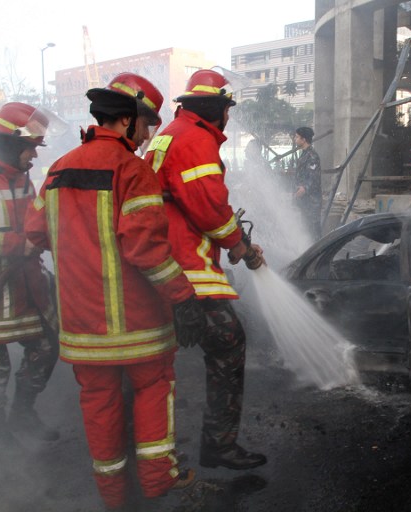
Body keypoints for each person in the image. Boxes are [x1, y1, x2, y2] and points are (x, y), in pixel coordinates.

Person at [25, 72, 202, 509]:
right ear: (126, 121)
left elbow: (34, 230)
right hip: (138, 327)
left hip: (83, 329)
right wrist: (184, 297)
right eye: (147, 126)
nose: (148, 136)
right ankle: (158, 483)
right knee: (152, 391)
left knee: (99, 406)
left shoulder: (58, 169)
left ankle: (113, 498)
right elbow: (146, 250)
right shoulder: (132, 170)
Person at [144, 68, 267, 471]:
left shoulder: (170, 135)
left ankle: (151, 452)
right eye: (227, 109)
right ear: (215, 108)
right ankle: (218, 444)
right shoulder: (196, 139)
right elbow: (209, 207)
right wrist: (240, 246)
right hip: (187, 267)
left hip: (163, 263)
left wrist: (233, 240)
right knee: (229, 344)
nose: (229, 118)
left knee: (156, 362)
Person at [0, 102, 60, 451]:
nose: (35, 157)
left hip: (27, 289)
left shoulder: (23, 178)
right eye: (31, 148)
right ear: (13, 144)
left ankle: (23, 412)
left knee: (46, 346)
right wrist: (17, 244)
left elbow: (35, 224)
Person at [291, 126, 322, 241]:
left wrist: (303, 189)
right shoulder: (304, 154)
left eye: (297, 137)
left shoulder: (312, 156)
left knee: (313, 231)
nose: (295, 139)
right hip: (304, 201)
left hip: (311, 202)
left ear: (303, 139)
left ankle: (318, 255)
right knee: (305, 230)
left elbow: (313, 178)